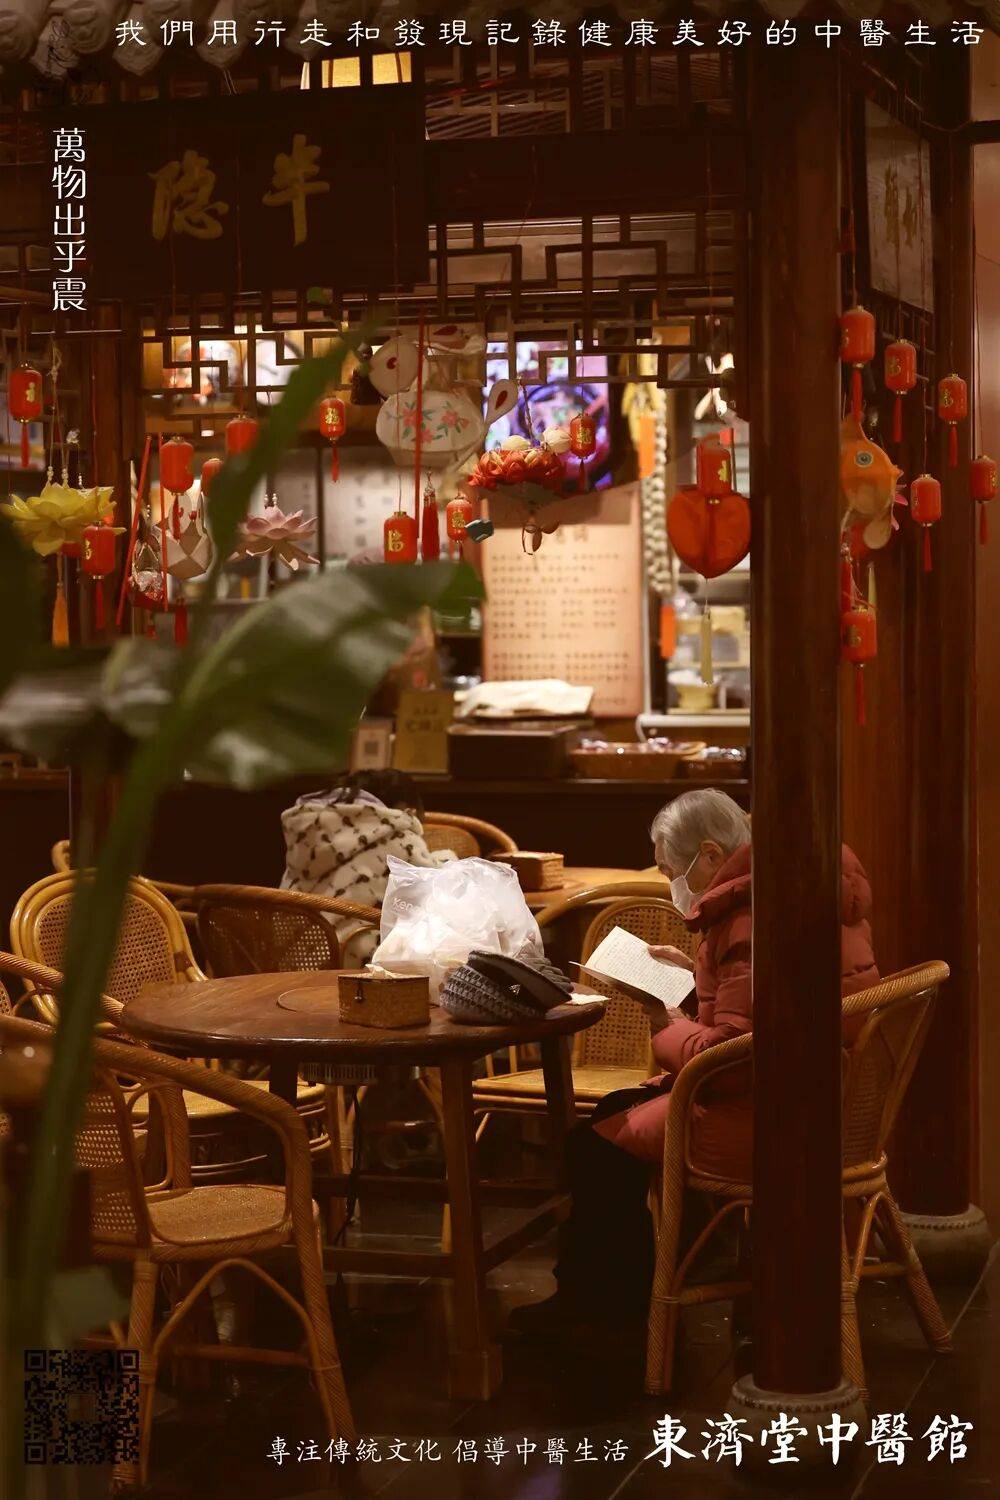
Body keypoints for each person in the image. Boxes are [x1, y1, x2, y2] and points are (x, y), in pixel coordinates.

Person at [509, 788, 879, 1335]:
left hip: (770, 1120)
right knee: (610, 1115)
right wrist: (693, 980)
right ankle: (659, 1274)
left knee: (593, 1146)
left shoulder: (750, 919)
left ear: (710, 855)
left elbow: (731, 1064)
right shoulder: (804, 886)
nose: (671, 884)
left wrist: (663, 1021)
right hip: (815, 1099)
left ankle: (603, 1312)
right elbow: (758, 1015)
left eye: (670, 870)